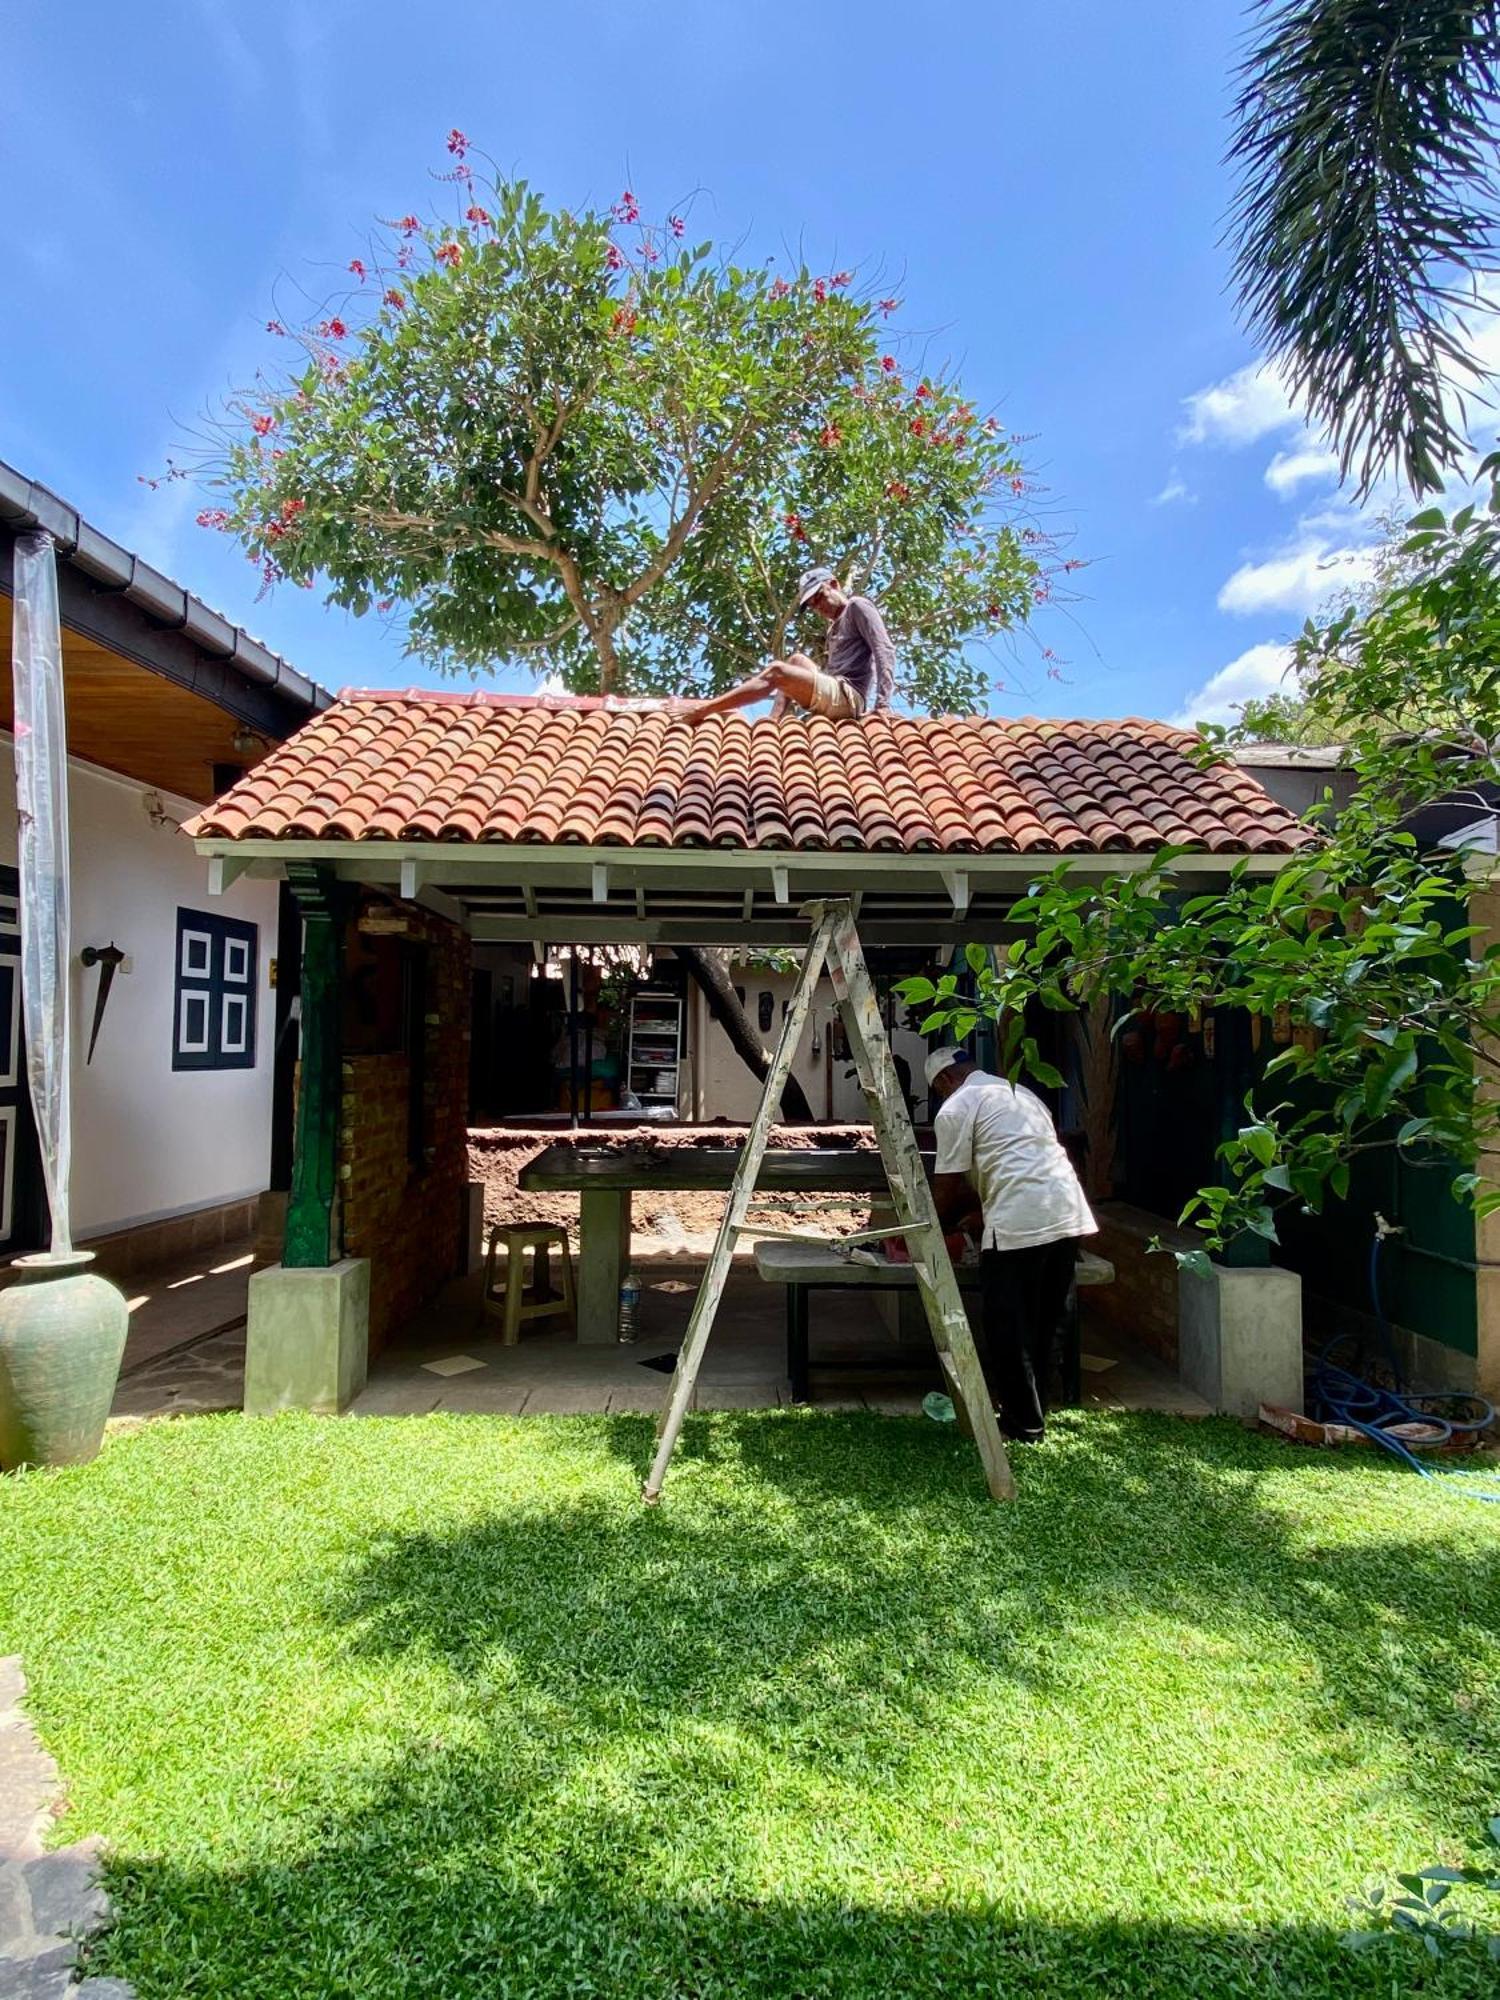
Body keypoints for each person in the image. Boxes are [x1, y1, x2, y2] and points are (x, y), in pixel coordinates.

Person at [925, 1046, 1097, 1443]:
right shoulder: (1022, 1093)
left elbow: (947, 1186)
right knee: (1047, 1319)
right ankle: (1037, 1410)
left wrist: (929, 1231)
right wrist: (982, 1214)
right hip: (1067, 1212)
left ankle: (1021, 1423)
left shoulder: (955, 1107)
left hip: (1019, 1225)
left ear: (944, 1081)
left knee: (1008, 1325)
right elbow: (1024, 1162)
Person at [675, 566, 895, 722]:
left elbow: (883, 648)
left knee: (778, 672)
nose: (817, 607)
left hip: (849, 696)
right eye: (811, 605)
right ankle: (773, 724)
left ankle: (705, 708)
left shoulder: (857, 606)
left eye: (818, 597)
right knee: (796, 660)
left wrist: (883, 705)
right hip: (835, 689)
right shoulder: (832, 629)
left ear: (834, 584)